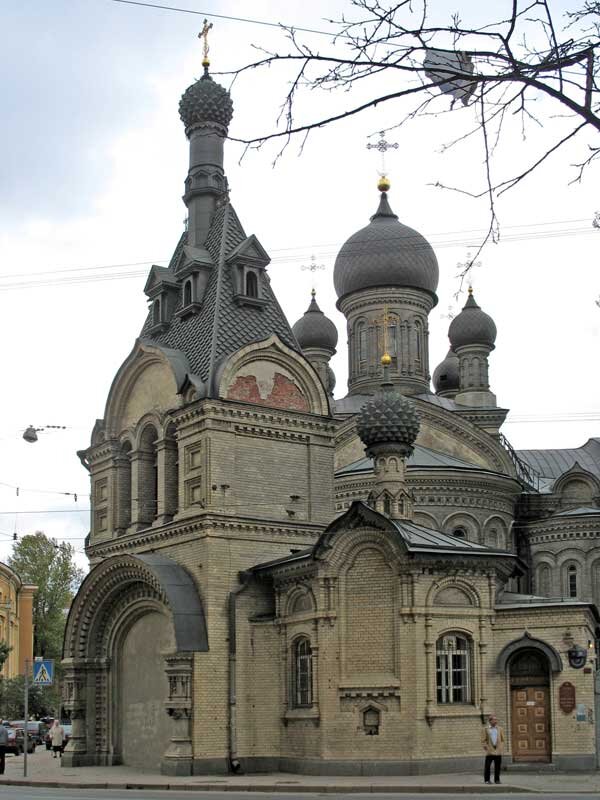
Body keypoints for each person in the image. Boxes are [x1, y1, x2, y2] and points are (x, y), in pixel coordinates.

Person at [481, 714, 505, 784]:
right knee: (487, 766)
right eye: (494, 720)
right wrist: (486, 747)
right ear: (490, 721)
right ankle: (487, 780)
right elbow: (483, 740)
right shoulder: (485, 729)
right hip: (490, 751)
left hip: (498, 751)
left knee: (497, 766)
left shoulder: (500, 729)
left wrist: (501, 747)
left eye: (496, 720)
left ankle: (497, 780)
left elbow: (503, 740)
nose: (496, 721)